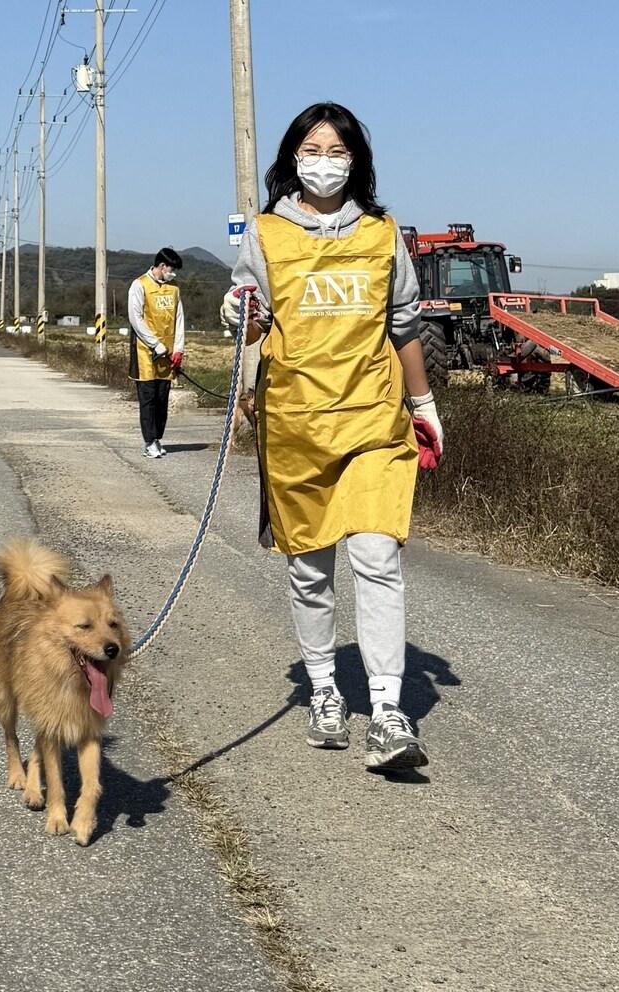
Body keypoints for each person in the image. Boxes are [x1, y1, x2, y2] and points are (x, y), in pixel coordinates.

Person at [220, 103, 443, 771]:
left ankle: (388, 712)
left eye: (337, 150)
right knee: (310, 568)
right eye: (313, 149)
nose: (325, 161)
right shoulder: (265, 234)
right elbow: (251, 325)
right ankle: (323, 689)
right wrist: (238, 312)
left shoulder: (381, 233)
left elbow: (404, 325)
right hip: (296, 424)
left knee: (378, 557)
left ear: (356, 161)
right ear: (293, 158)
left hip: (373, 419)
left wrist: (424, 404)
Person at [128, 247, 187, 458]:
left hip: (168, 353)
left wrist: (178, 348)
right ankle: (149, 441)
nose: (173, 274)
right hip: (146, 352)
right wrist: (155, 344)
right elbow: (136, 318)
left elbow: (179, 319)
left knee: (162, 397)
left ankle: (157, 438)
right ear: (162, 266)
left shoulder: (174, 288)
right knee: (148, 398)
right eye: (171, 269)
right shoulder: (139, 285)